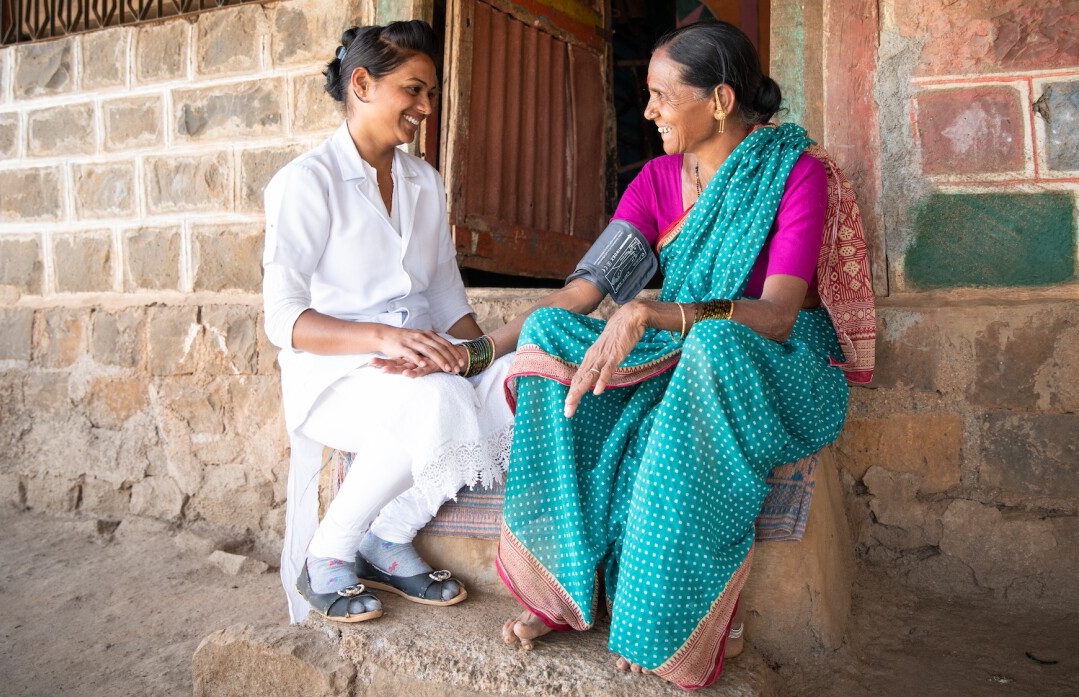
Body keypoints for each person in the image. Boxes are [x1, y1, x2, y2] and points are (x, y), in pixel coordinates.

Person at [479, 19, 875, 689]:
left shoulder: (794, 173)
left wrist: (655, 311)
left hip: (775, 367)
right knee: (549, 331)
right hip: (681, 352)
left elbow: (778, 316)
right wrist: (482, 349)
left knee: (714, 341)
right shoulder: (659, 182)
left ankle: (667, 615)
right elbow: (587, 290)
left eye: (662, 95)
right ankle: (563, 584)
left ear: (719, 101)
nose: (649, 110)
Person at [262, 20, 512, 625]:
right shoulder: (306, 182)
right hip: (339, 375)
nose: (426, 107)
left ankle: (387, 537)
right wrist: (388, 338)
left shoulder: (424, 184)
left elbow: (450, 301)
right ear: (364, 83)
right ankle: (329, 553)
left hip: (422, 365)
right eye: (414, 90)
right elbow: (284, 319)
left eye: (431, 94)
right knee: (435, 399)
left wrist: (480, 360)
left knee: (518, 378)